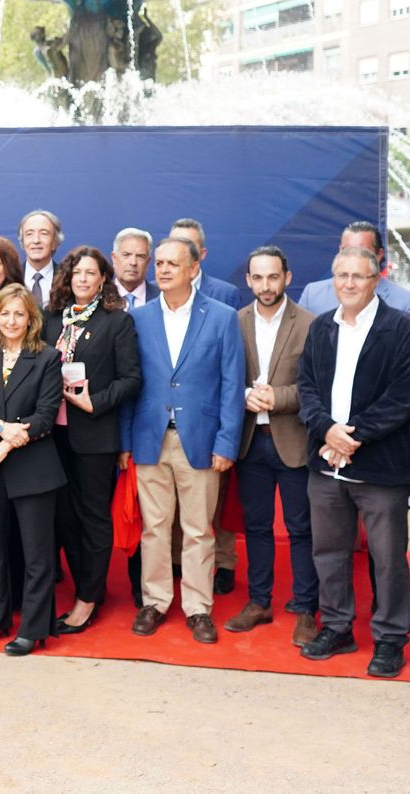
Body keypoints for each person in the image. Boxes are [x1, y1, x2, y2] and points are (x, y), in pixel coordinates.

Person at [296, 244, 410, 677]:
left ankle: (389, 638)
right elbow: (307, 387)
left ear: (376, 280)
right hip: (325, 462)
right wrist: (326, 430)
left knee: (388, 558)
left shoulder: (402, 329)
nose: (349, 284)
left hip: (379, 467)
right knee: (329, 552)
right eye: (342, 276)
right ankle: (337, 626)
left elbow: (402, 396)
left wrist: (352, 437)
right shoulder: (320, 329)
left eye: (358, 276)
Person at [124, 237, 243, 644]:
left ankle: (197, 608)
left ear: (194, 269)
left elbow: (232, 384)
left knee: (198, 529)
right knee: (154, 528)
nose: (163, 270)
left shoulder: (222, 317)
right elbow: (130, 383)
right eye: (159, 263)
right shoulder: (138, 318)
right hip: (148, 439)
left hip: (202, 440)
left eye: (173, 263)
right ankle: (154, 601)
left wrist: (226, 443)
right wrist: (126, 441)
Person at [0, 284, 66, 656]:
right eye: (5, 313)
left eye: (19, 314)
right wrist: (1, 428)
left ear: (31, 319)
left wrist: (5, 443)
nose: (11, 320)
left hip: (32, 468)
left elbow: (45, 417)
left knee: (37, 554)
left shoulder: (48, 358)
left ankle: (33, 628)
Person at [45, 245, 142, 636]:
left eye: (91, 273)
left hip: (94, 434)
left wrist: (94, 402)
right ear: (67, 278)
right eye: (76, 273)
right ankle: (87, 584)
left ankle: (88, 598)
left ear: (104, 279)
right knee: (64, 517)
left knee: (93, 518)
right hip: (53, 435)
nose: (83, 279)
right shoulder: (52, 320)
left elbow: (132, 379)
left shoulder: (116, 322)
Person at [227, 245, 317, 645]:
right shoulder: (234, 322)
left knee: (302, 529)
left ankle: (306, 607)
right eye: (258, 277)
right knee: (256, 527)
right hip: (250, 443)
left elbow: (316, 390)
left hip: (293, 441)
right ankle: (259, 602)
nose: (266, 285)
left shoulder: (311, 324)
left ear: (287, 278)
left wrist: (277, 398)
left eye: (273, 277)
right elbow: (225, 378)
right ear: (248, 280)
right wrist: (243, 395)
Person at [296, 220, 410, 323]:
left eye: (363, 252)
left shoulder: (406, 304)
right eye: (347, 250)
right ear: (340, 250)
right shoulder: (313, 295)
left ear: (379, 254)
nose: (354, 257)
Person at [167, 218, 244, 308]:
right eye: (175, 244)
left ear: (202, 254)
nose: (181, 251)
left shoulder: (226, 295)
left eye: (189, 245)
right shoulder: (155, 291)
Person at [17, 209, 62, 306]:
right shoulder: (10, 278)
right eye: (29, 234)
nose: (36, 240)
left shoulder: (66, 278)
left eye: (44, 233)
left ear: (55, 241)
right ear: (22, 241)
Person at [111, 227, 156, 307]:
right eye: (126, 255)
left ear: (148, 262)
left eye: (140, 256)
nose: (133, 262)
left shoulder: (163, 298)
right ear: (114, 258)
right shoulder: (98, 298)